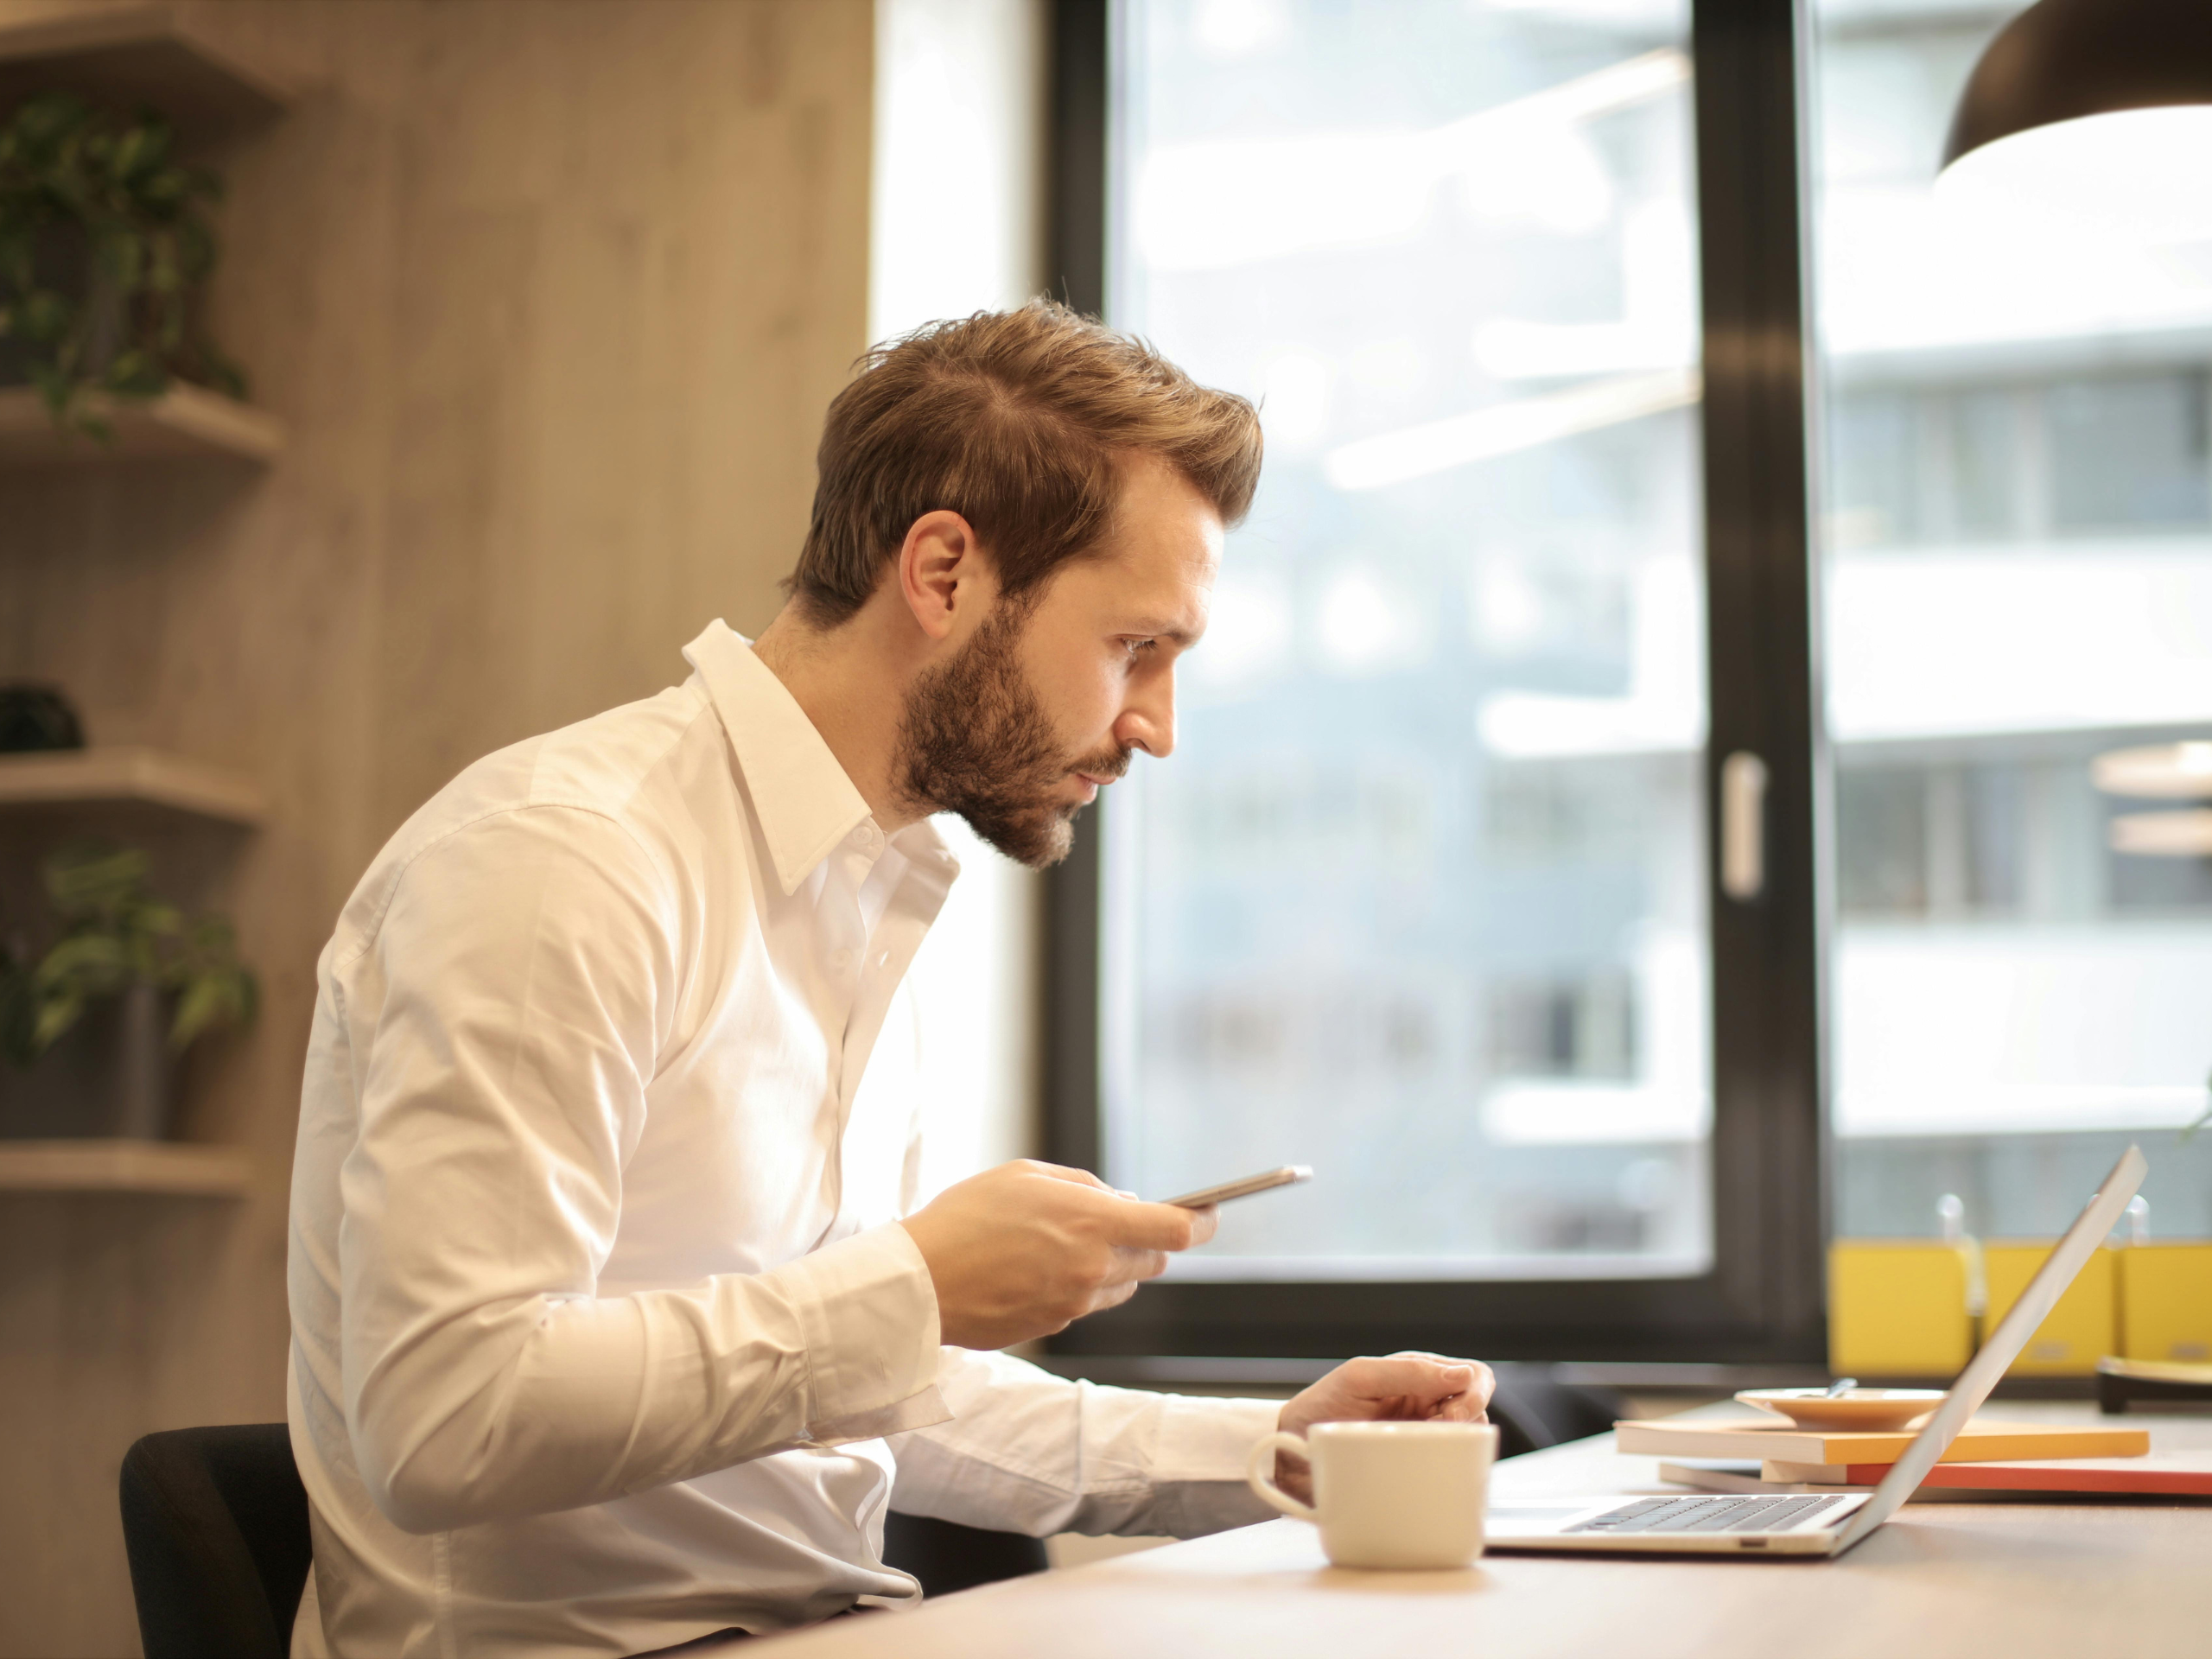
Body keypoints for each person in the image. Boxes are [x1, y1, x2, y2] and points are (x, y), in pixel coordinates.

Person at [285, 302, 1493, 1658]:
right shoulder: (562, 865)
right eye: (1134, 649)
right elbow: (447, 1418)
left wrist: (1268, 1449)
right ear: (942, 572)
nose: (1156, 726)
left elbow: (841, 1388)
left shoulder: (867, 895)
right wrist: (911, 1286)